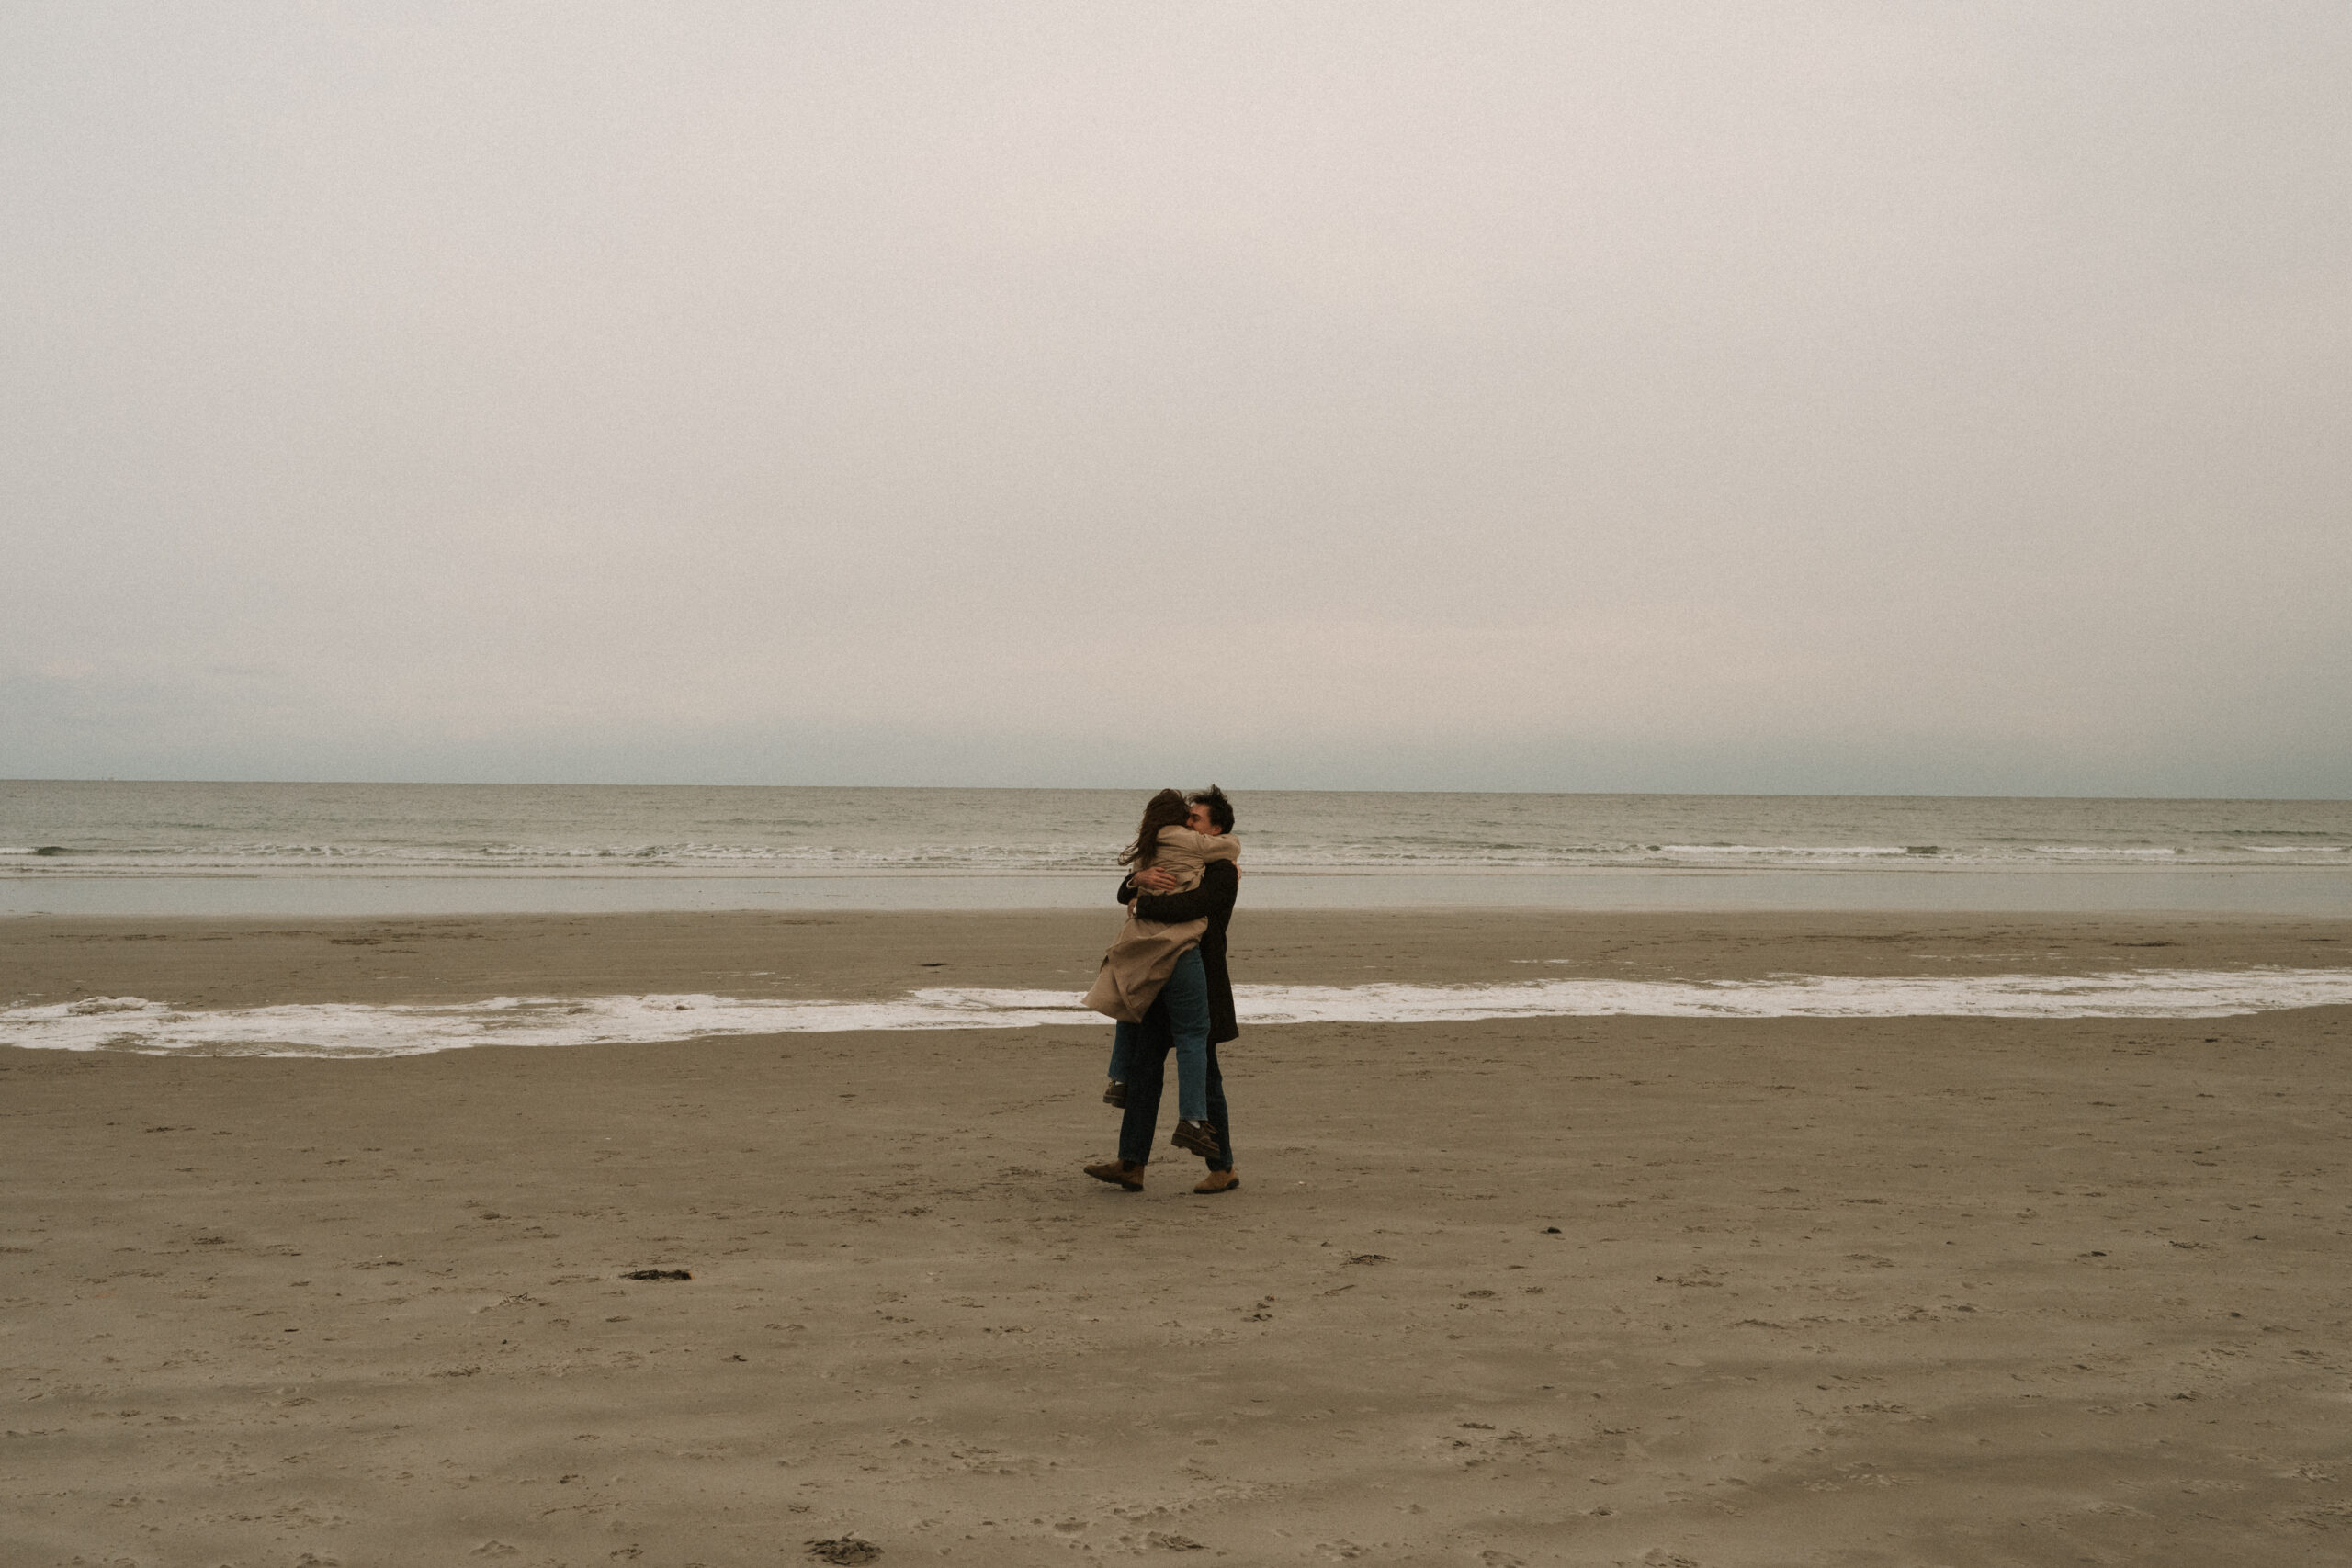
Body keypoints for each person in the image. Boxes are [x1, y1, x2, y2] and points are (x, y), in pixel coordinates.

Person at [1085, 786, 1243, 1195]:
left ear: (1217, 828)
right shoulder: (1182, 854)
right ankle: (1131, 1163)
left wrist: (1142, 905)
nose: (1187, 823)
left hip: (1199, 980)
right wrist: (1136, 880)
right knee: (1144, 1071)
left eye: (1196, 819)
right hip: (1160, 977)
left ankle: (1222, 1168)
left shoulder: (1224, 870)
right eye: (1187, 817)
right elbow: (1126, 889)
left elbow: (1192, 907)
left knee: (1206, 1077)